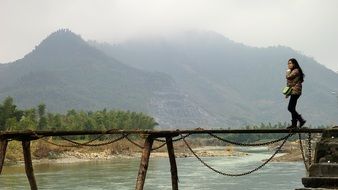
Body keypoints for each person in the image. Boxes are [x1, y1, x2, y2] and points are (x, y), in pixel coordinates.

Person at [286, 58, 306, 129]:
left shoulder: (296, 70)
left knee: (290, 108)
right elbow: (289, 83)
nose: (289, 65)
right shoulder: (293, 71)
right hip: (293, 91)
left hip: (296, 91)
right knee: (292, 108)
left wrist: (288, 72)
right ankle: (294, 125)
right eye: (288, 63)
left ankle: (301, 120)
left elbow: (288, 77)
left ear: (294, 64)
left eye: (290, 63)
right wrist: (287, 93)